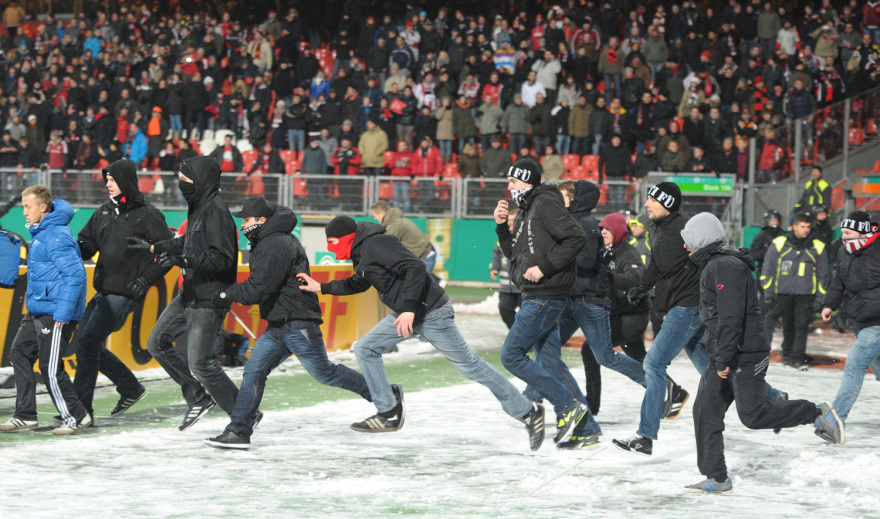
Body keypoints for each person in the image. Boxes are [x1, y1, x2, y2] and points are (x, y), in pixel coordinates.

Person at [296, 216, 546, 451]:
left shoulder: (377, 244)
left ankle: (527, 411)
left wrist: (408, 309)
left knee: (470, 366)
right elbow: (359, 281)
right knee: (365, 347)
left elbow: (415, 268)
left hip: (431, 312)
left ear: (348, 237)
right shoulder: (361, 250)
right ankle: (389, 411)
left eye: (333, 243)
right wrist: (322, 287)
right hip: (412, 313)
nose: (330, 248)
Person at [683, 212, 844, 493]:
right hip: (725, 353)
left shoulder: (725, 266)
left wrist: (721, 359)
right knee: (705, 411)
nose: (685, 245)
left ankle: (816, 413)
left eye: (688, 240)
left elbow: (732, 317)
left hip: (744, 354)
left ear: (701, 239)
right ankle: (717, 477)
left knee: (753, 417)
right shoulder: (713, 264)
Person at [205, 199, 372, 449]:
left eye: (247, 220)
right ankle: (239, 431)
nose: (243, 225)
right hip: (279, 322)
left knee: (324, 373)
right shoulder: (269, 240)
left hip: (296, 322)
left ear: (261, 221)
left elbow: (259, 287)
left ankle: (382, 393)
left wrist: (225, 294)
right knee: (254, 371)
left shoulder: (274, 244)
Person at [493, 159, 602, 446]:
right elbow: (513, 254)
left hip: (545, 295)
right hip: (539, 295)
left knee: (511, 355)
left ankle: (569, 406)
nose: (509, 187)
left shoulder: (544, 203)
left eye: (513, 181)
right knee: (551, 364)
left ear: (527, 181)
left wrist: (544, 268)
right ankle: (587, 428)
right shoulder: (530, 208)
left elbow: (576, 238)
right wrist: (502, 227)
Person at [128, 156, 240, 430]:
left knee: (202, 365)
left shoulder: (216, 211)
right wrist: (156, 248)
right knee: (157, 343)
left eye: (185, 179)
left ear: (200, 181)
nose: (181, 185)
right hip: (189, 293)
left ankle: (243, 414)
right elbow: (188, 241)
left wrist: (187, 261)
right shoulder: (199, 207)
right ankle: (198, 397)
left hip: (209, 298)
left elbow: (223, 258)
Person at [549, 180, 653, 449]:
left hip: (625, 314)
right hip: (595, 305)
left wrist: (605, 275)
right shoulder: (598, 241)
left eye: (608, 230)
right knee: (558, 349)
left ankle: (657, 388)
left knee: (603, 354)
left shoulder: (624, 249)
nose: (604, 232)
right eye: (603, 229)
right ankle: (580, 406)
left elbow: (632, 278)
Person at [72, 159, 173, 420]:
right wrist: (71, 247)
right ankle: (130, 387)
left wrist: (145, 279)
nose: (107, 184)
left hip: (125, 293)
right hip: (103, 290)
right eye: (106, 179)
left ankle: (81, 410)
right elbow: (87, 244)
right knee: (86, 344)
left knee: (86, 343)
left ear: (126, 180)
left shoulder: (148, 214)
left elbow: (169, 253)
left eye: (112, 179)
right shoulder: (103, 211)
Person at [0, 185, 90, 434]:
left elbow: (75, 277)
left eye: (28, 207)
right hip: (39, 309)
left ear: (43, 207)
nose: (24, 213)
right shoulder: (43, 232)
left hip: (56, 312)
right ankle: (25, 414)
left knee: (49, 368)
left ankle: (76, 416)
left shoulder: (56, 236)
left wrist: (62, 314)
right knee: (19, 352)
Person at [821, 211, 880, 439]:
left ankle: (834, 421)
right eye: (842, 233)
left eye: (848, 233)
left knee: (854, 366)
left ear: (862, 231)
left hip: (877, 322)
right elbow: (839, 282)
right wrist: (829, 304)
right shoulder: (845, 251)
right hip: (859, 320)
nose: (844, 237)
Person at [761, 212, 830, 370]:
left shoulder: (817, 246)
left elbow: (823, 275)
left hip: (806, 294)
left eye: (808, 227)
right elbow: (768, 269)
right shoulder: (779, 243)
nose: (805, 230)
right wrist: (769, 294)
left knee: (802, 326)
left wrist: (820, 298)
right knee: (788, 325)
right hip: (784, 293)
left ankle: (798, 358)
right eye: (802, 226)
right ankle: (788, 355)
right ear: (794, 227)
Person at [370, 200, 439, 281]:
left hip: (424, 257)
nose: (375, 218)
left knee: (414, 288)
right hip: (425, 254)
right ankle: (438, 281)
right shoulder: (396, 220)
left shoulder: (394, 225)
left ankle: (436, 282)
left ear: (381, 213)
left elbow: (385, 246)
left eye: (375, 215)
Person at [750, 210, 786, 342]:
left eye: (777, 220)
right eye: (772, 220)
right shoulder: (762, 236)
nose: (775, 223)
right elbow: (753, 254)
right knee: (766, 304)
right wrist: (768, 251)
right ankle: (762, 335)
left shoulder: (784, 235)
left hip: (783, 275)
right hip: (765, 273)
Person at [490, 208, 522, 330]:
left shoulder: (526, 237)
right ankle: (517, 333)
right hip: (506, 286)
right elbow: (497, 255)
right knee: (505, 309)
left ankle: (524, 336)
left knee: (526, 314)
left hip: (522, 286)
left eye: (514, 220)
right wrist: (494, 268)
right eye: (509, 220)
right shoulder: (503, 237)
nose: (510, 223)